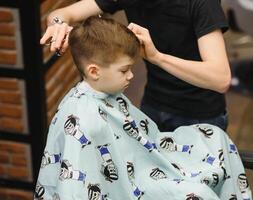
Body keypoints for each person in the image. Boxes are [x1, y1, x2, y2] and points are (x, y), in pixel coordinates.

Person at [35, 16, 251, 200]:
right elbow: (75, 188)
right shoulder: (84, 119)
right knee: (198, 192)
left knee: (214, 137)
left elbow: (141, 145)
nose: (131, 76)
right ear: (94, 71)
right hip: (131, 185)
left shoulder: (106, 97)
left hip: (144, 168)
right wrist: (58, 23)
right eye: (124, 70)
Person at [40, 0, 231, 132]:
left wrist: (157, 57)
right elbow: (63, 14)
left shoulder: (202, 3)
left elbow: (220, 78)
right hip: (153, 103)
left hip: (200, 115)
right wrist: (58, 24)